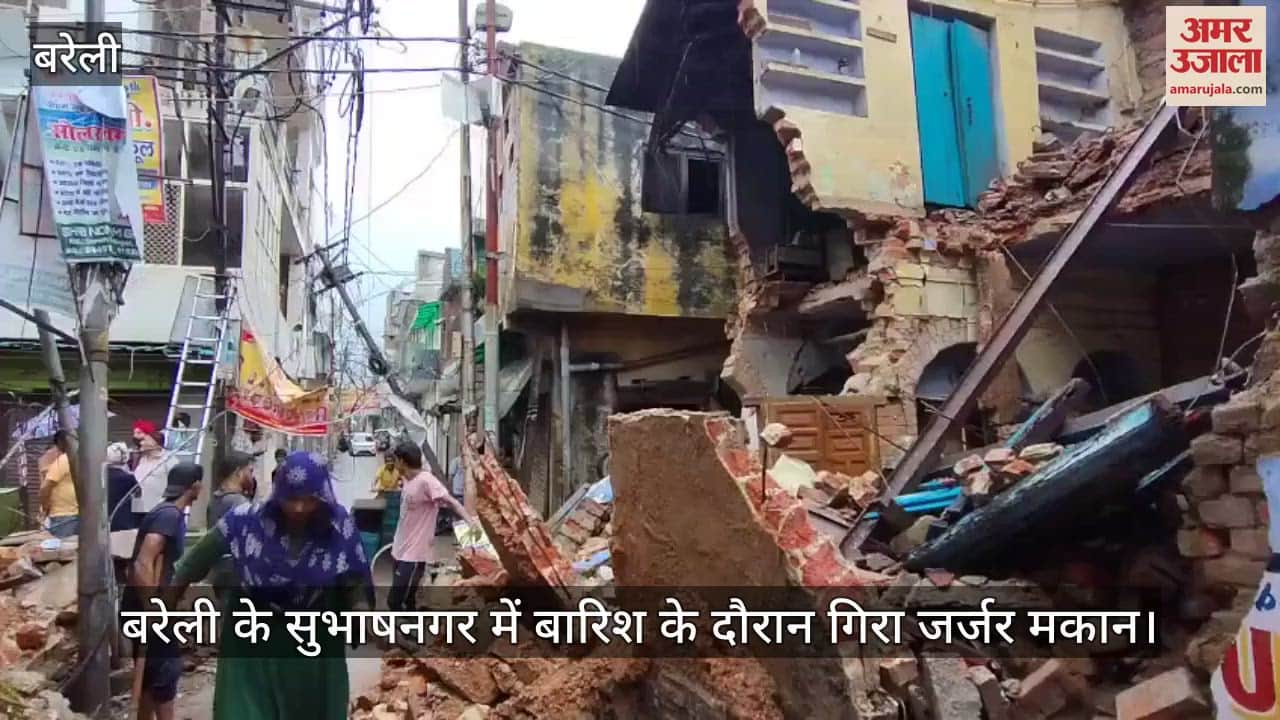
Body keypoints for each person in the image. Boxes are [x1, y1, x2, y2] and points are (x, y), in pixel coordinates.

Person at [167, 452, 373, 720]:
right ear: (279, 492)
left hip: (313, 646)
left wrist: (361, 613)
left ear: (323, 495)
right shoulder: (244, 520)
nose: (299, 508)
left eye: (309, 499)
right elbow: (192, 564)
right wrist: (163, 608)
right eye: (291, 498)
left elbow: (354, 578)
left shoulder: (338, 526)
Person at [125, 463, 203, 720]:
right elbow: (142, 563)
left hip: (142, 607)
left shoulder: (166, 512)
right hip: (146, 608)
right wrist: (153, 607)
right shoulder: (169, 516)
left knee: (152, 675)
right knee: (166, 670)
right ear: (195, 486)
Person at [387, 442, 477, 611]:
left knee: (395, 602)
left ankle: (408, 623)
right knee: (407, 601)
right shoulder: (407, 479)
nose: (394, 463)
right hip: (399, 549)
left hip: (414, 554)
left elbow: (451, 502)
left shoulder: (426, 481)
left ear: (402, 461)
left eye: (396, 460)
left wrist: (471, 523)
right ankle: (412, 624)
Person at [131, 421, 175, 522]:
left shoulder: (169, 460)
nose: (141, 443)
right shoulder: (140, 459)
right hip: (138, 508)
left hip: (158, 509)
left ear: (156, 442)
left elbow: (175, 484)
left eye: (144, 440)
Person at [39, 430, 78, 538]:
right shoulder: (65, 460)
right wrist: (45, 506)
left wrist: (45, 507)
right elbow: (45, 487)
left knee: (64, 546)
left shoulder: (66, 459)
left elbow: (45, 487)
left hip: (66, 515)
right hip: (66, 515)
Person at [106, 442, 139, 532]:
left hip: (103, 520)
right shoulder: (128, 478)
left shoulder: (99, 477)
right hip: (123, 522)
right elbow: (138, 499)